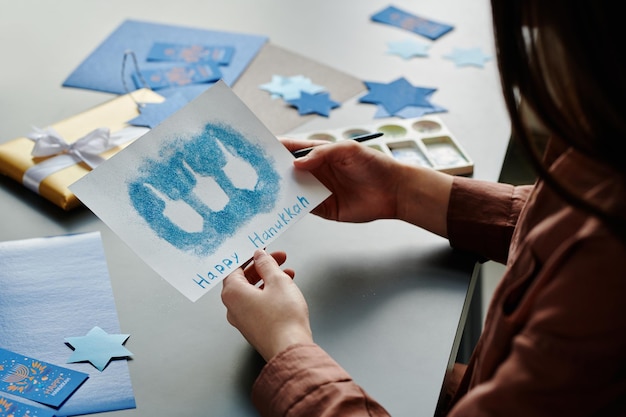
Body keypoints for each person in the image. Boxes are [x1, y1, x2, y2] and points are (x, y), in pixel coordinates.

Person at [221, 0, 626, 415]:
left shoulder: (603, 282)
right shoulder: (607, 141)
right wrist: (404, 192)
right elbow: (567, 221)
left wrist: (286, 343)